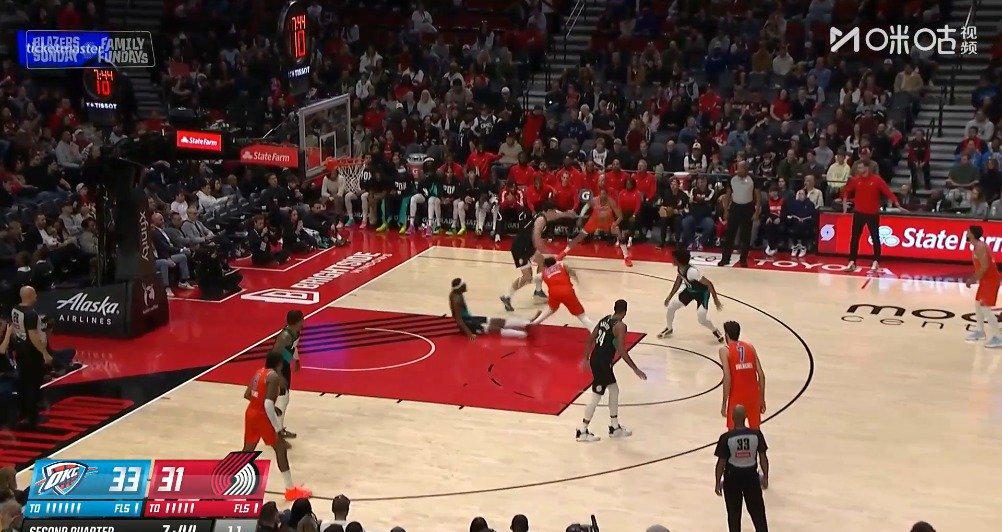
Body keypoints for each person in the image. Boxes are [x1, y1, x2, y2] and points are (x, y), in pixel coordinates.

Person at [243, 351, 311, 501]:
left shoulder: (259, 372)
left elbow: (247, 395)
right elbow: (268, 403)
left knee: (248, 450)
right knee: (280, 449)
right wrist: (278, 428)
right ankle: (290, 490)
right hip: (262, 417)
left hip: (251, 413)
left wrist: (267, 406)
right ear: (279, 364)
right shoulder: (273, 376)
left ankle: (233, 480)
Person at [576, 299, 647, 442]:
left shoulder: (605, 319)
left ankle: (615, 427)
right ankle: (582, 430)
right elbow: (621, 350)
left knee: (614, 390)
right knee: (596, 395)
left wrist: (586, 358)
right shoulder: (620, 326)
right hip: (603, 363)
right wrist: (635, 369)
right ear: (625, 312)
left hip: (596, 359)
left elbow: (591, 339)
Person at [500, 203, 576, 312]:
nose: (555, 214)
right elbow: (536, 239)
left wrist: (568, 214)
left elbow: (557, 215)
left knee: (543, 262)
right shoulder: (540, 220)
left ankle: (538, 291)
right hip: (520, 248)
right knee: (527, 277)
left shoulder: (546, 215)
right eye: (553, 212)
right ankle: (507, 296)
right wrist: (548, 252)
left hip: (528, 246)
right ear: (547, 211)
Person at [714, 404, 769, 532]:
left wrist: (717, 482)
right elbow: (763, 458)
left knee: (733, 515)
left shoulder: (726, 437)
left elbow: (721, 463)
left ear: (732, 418)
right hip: (751, 477)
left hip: (732, 478)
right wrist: (765, 477)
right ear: (746, 417)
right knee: (758, 514)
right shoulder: (756, 435)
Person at [841, 162, 902, 270]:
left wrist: (897, 204)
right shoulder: (856, 180)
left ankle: (876, 260)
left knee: (875, 237)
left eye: (860, 167)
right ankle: (852, 261)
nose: (858, 169)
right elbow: (846, 190)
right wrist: (844, 202)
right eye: (858, 168)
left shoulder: (877, 180)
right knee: (855, 237)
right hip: (859, 213)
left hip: (872, 214)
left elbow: (888, 192)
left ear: (867, 168)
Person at [660, 248, 724, 342]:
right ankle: (669, 328)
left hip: (702, 294)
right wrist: (669, 296)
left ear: (678, 260)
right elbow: (678, 282)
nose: (672, 259)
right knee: (671, 307)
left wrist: (716, 300)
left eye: (674, 258)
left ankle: (715, 330)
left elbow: (709, 284)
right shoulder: (680, 267)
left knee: (701, 318)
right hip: (690, 291)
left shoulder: (692, 272)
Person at [9, 286, 51, 428]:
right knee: (33, 385)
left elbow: (14, 331)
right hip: (32, 354)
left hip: (20, 352)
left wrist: (15, 347)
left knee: (23, 383)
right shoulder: (30, 314)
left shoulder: (15, 309)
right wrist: (44, 353)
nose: (36, 297)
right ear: (30, 295)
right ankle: (32, 418)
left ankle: (23, 413)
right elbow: (33, 336)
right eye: (34, 294)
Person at [451, 278, 535, 339]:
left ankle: (526, 323)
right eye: (464, 284)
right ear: (460, 287)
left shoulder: (457, 294)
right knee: (494, 328)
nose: (466, 285)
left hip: (470, 319)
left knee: (497, 321)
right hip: (467, 324)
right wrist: (469, 333)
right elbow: (458, 319)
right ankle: (523, 334)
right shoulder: (456, 299)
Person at [720, 321, 766, 430]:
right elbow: (761, 375)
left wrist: (724, 402)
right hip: (753, 394)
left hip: (737, 395)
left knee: (733, 432)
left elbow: (727, 377)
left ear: (726, 335)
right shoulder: (750, 347)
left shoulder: (725, 351)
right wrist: (761, 398)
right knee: (756, 430)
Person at [557, 185, 621, 261]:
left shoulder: (611, 202)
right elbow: (586, 207)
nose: (602, 195)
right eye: (601, 194)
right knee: (579, 237)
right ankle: (564, 252)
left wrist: (615, 223)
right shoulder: (594, 200)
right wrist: (581, 217)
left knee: (619, 234)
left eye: (604, 194)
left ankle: (626, 256)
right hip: (594, 221)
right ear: (599, 194)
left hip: (607, 221)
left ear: (607, 195)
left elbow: (619, 215)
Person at [528, 257, 595, 329]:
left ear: (545, 265)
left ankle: (534, 323)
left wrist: (538, 289)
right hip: (567, 292)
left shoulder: (542, 274)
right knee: (581, 316)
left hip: (554, 294)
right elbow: (573, 273)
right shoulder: (562, 266)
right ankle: (593, 329)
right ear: (555, 262)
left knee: (551, 309)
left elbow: (535, 279)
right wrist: (579, 282)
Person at [268, 310, 306, 439]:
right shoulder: (284, 336)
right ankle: (277, 431)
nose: (304, 321)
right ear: (297, 321)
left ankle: (278, 428)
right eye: (302, 319)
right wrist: (278, 375)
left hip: (284, 365)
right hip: (278, 367)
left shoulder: (295, 332)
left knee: (284, 398)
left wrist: (296, 360)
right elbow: (275, 356)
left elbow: (293, 347)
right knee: (283, 398)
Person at [964, 225, 1002, 347]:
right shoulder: (976, 245)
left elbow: (985, 266)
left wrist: (972, 279)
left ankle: (998, 337)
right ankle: (980, 331)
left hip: (991, 280)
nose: (966, 234)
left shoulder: (980, 247)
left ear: (972, 234)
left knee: (985, 308)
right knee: (977, 304)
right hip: (985, 280)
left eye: (968, 232)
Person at [718, 161, 760, 267]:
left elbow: (758, 195)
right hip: (735, 207)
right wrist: (726, 210)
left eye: (741, 168)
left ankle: (743, 260)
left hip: (748, 208)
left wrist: (757, 211)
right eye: (738, 168)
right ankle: (725, 258)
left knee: (746, 236)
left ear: (746, 169)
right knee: (730, 234)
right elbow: (728, 195)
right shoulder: (731, 178)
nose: (738, 170)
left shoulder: (753, 179)